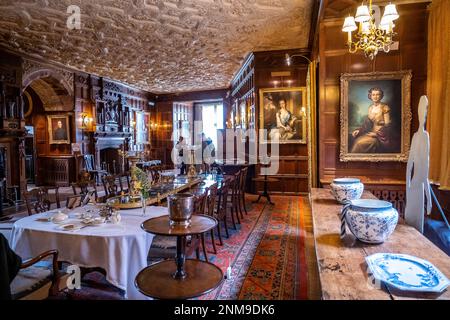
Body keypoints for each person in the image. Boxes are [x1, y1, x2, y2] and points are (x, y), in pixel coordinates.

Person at [350, 87, 394, 153]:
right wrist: (358, 130)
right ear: (370, 96)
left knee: (359, 143)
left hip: (381, 136)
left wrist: (377, 134)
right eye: (373, 95)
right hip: (371, 133)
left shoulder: (385, 107)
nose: (375, 97)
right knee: (357, 140)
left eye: (377, 94)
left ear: (381, 96)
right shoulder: (370, 108)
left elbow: (388, 125)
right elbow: (367, 123)